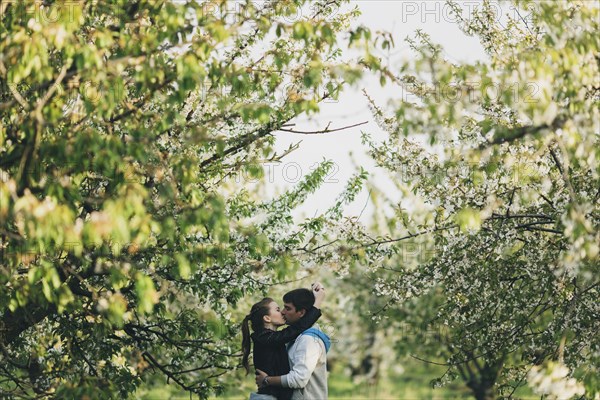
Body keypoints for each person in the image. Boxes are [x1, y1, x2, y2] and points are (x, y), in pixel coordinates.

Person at [242, 283, 326, 400]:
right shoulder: (266, 338)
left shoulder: (305, 339)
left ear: (301, 312)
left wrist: (267, 380)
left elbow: (297, 329)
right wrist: (317, 303)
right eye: (278, 309)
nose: (282, 312)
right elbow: (296, 328)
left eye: (287, 308)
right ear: (267, 318)